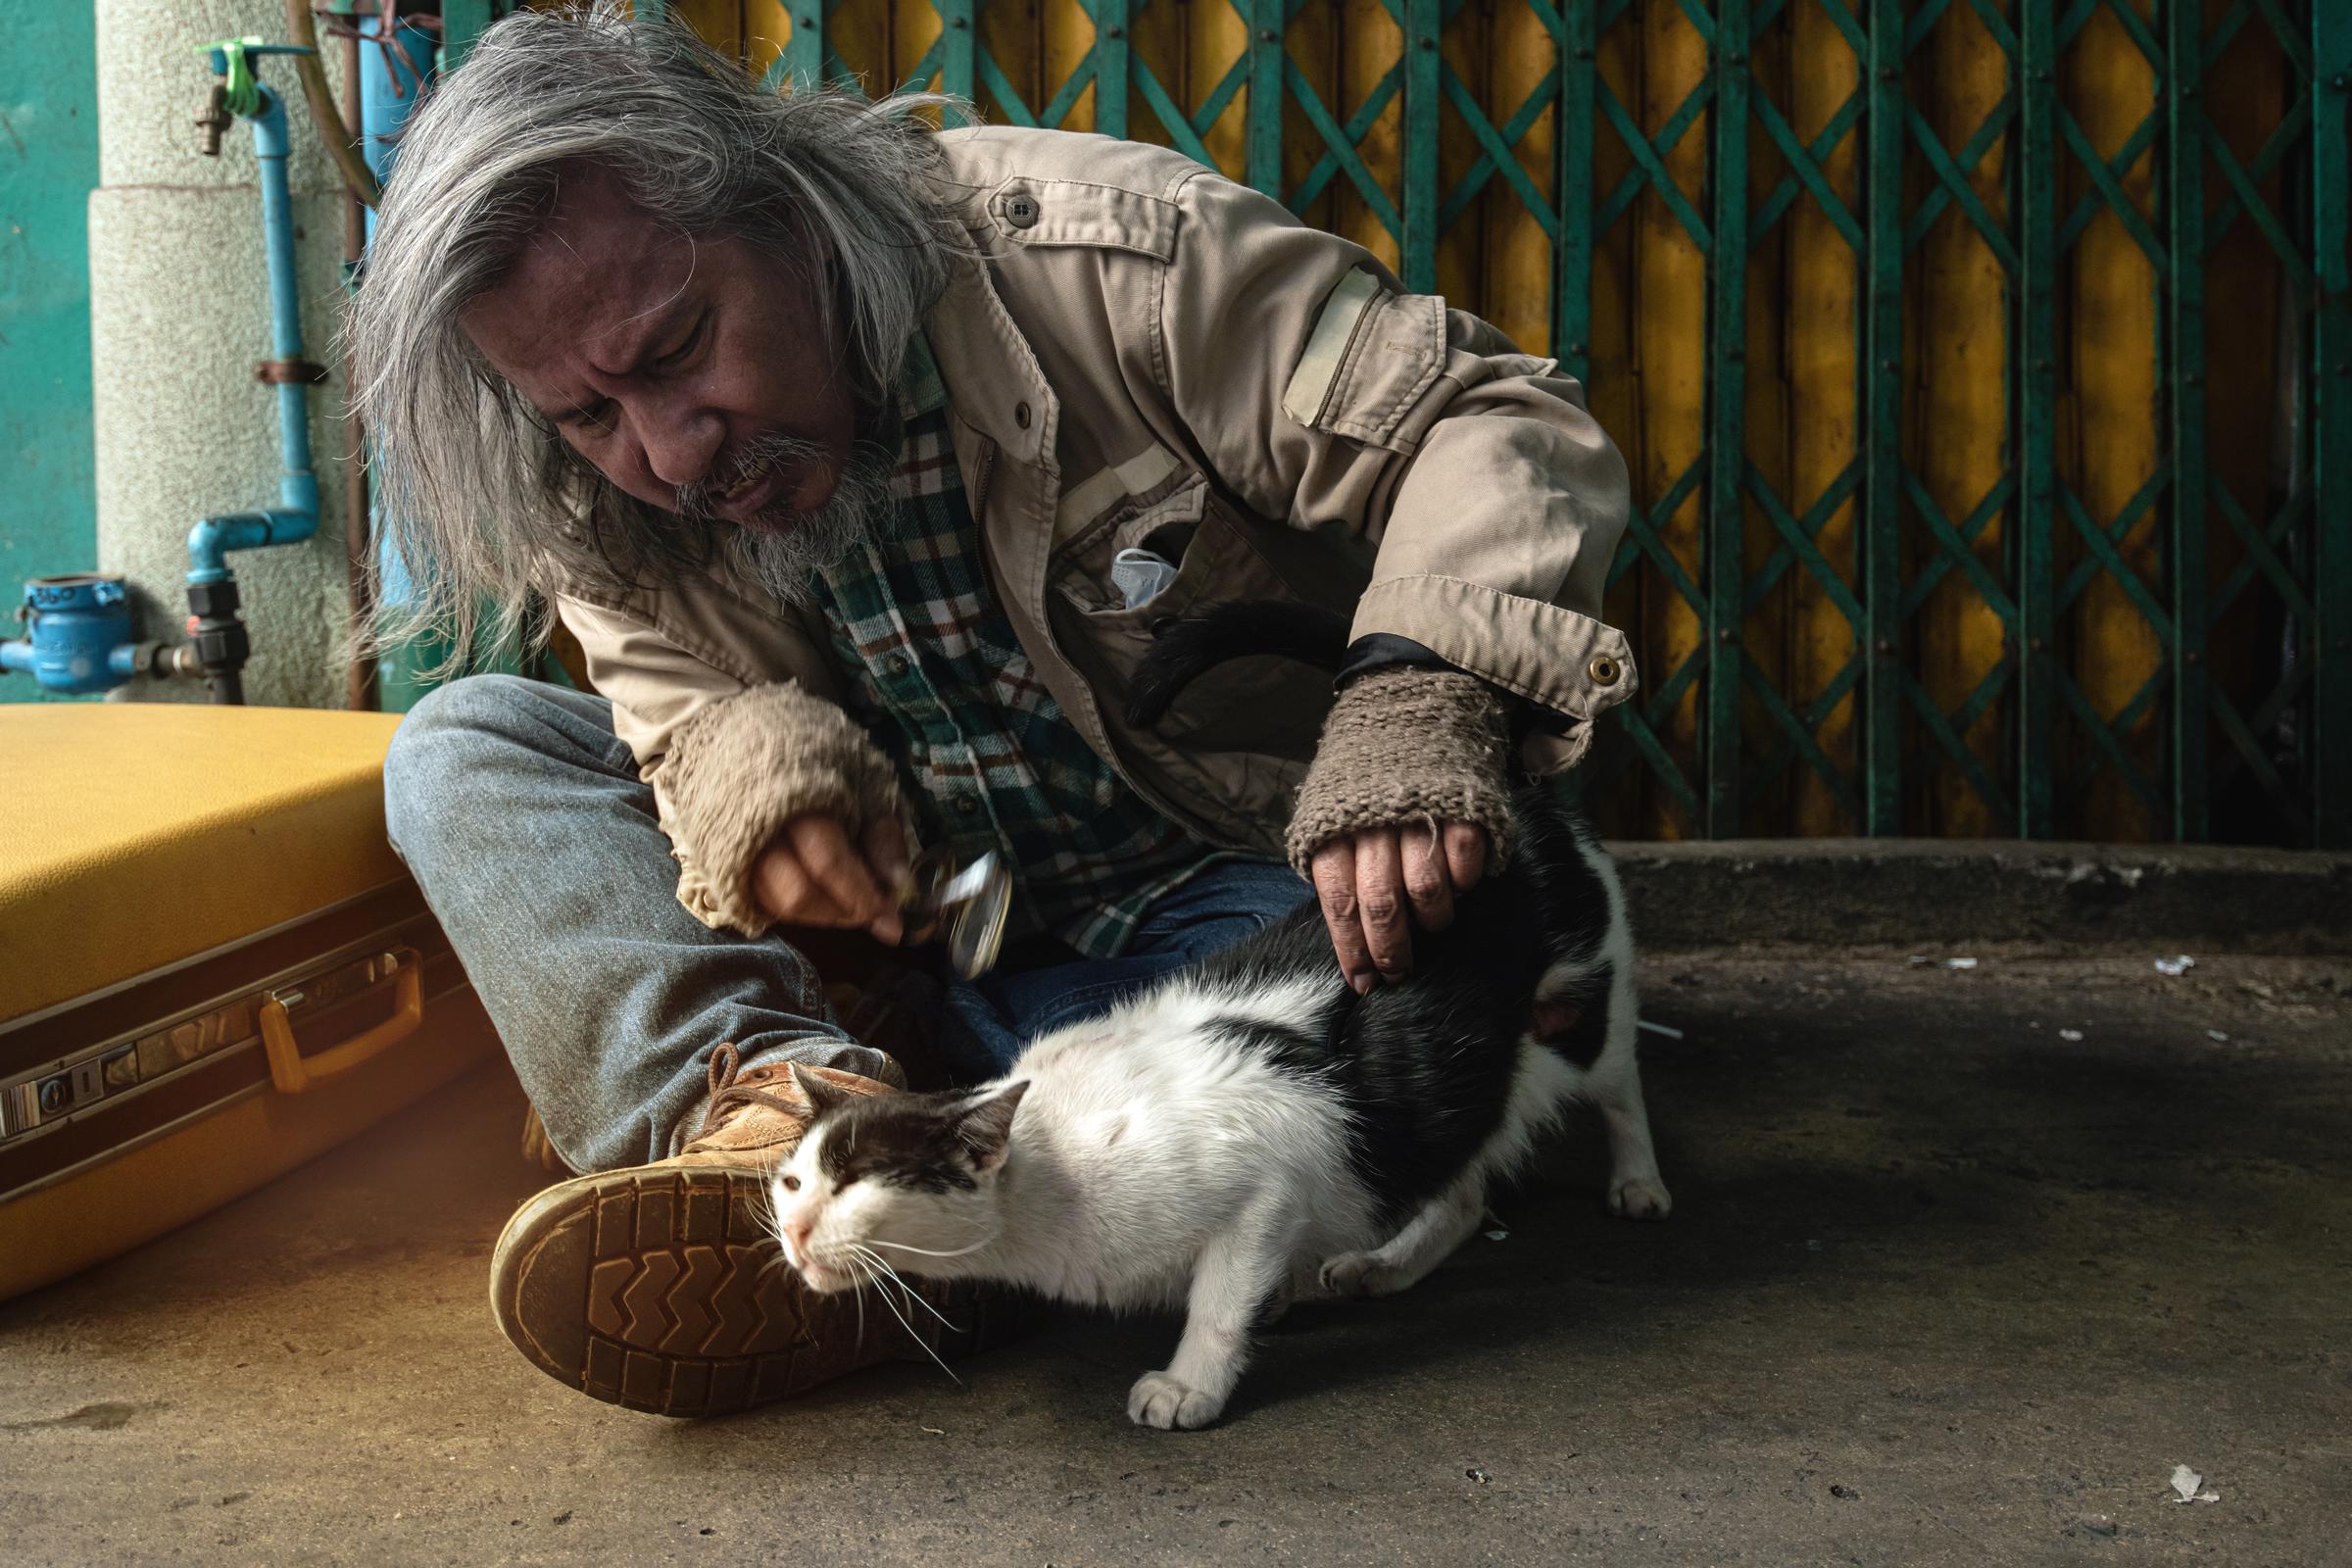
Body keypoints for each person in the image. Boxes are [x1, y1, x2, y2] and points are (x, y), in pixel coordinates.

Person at [354, 3, 1635, 1418]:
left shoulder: (1113, 264)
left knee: (1304, 1059)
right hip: (942, 960)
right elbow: (683, 705)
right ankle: (778, 1129)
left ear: (789, 211)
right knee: (464, 747)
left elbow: (1498, 425)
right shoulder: (604, 491)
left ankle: (966, 1223)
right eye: (588, 415)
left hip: (1229, 917)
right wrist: (764, 793)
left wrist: (1417, 704)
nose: (665, 449)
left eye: (675, 351)